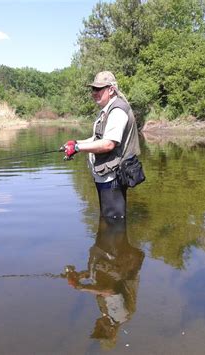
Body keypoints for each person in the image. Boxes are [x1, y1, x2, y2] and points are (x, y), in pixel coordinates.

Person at [64, 71, 141, 218]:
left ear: (111, 89)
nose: (94, 92)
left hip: (112, 178)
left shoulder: (118, 110)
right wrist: (75, 144)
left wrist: (78, 148)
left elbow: (108, 144)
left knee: (113, 223)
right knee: (108, 221)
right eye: (93, 89)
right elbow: (97, 138)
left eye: (98, 89)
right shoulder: (106, 111)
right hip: (104, 175)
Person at [64, 217, 144, 349]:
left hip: (115, 271)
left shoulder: (105, 312)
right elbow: (109, 291)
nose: (96, 327)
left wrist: (79, 276)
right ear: (111, 331)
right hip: (122, 268)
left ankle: (110, 226)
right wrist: (82, 287)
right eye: (100, 331)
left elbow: (98, 282)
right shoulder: (120, 316)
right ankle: (111, 227)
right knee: (96, 256)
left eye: (96, 330)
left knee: (95, 259)